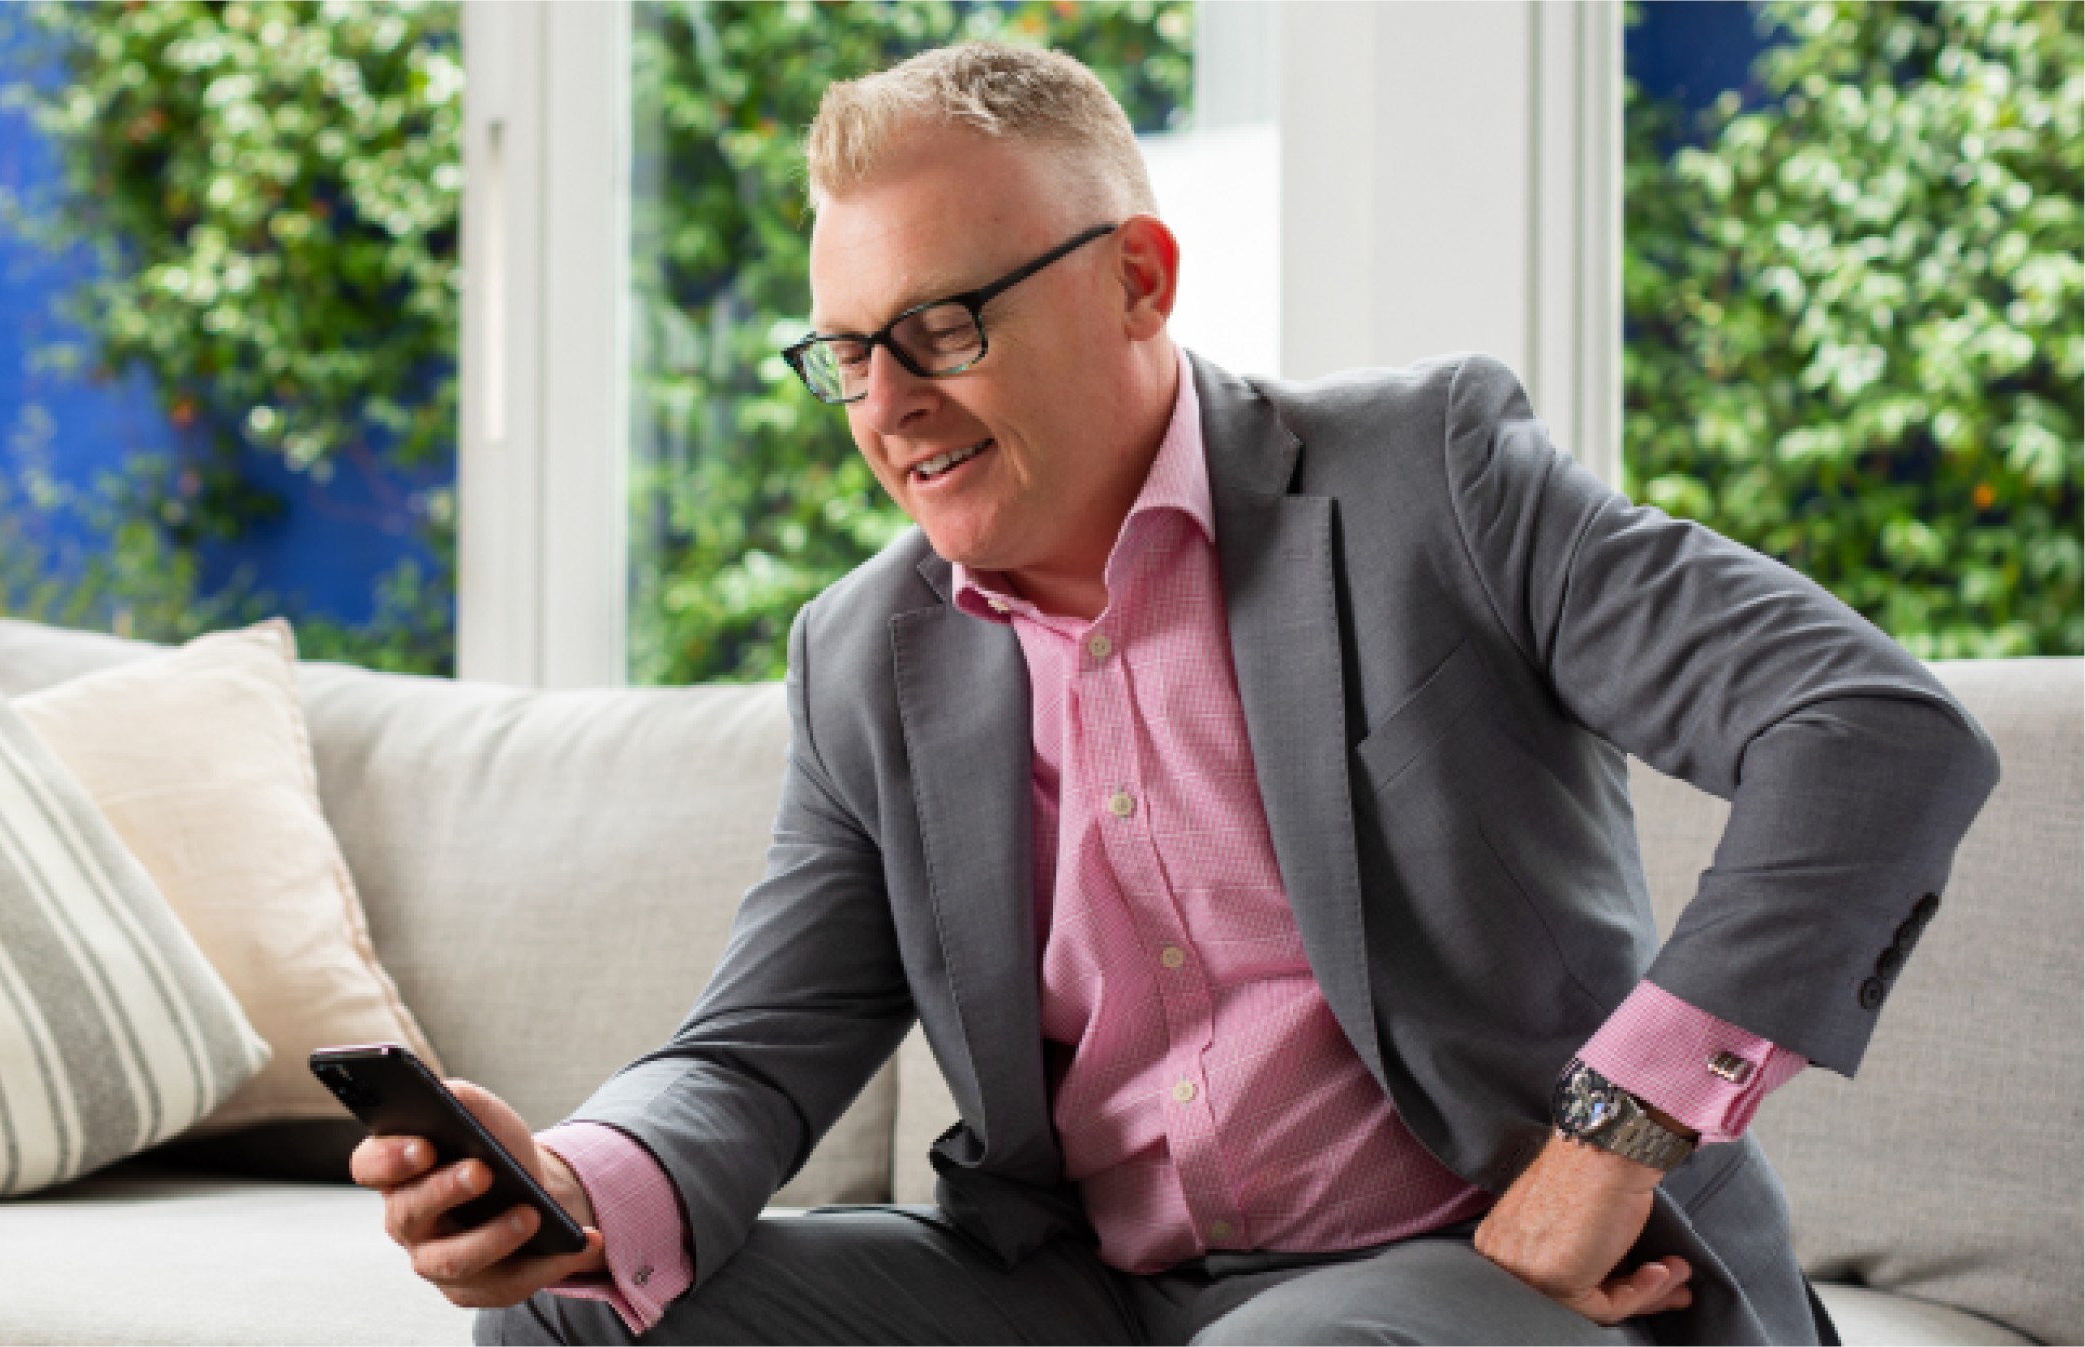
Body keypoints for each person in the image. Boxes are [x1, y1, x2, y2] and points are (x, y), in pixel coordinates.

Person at [355, 42, 1998, 1346]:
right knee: (579, 1319)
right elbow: (758, 1052)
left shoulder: (1430, 477)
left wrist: (1606, 1147)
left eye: (940, 327)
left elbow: (1869, 732)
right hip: (1085, 1289)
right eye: (848, 352)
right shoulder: (868, 651)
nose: (888, 407)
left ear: (1139, 278)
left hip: (1484, 1271)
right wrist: (572, 1180)